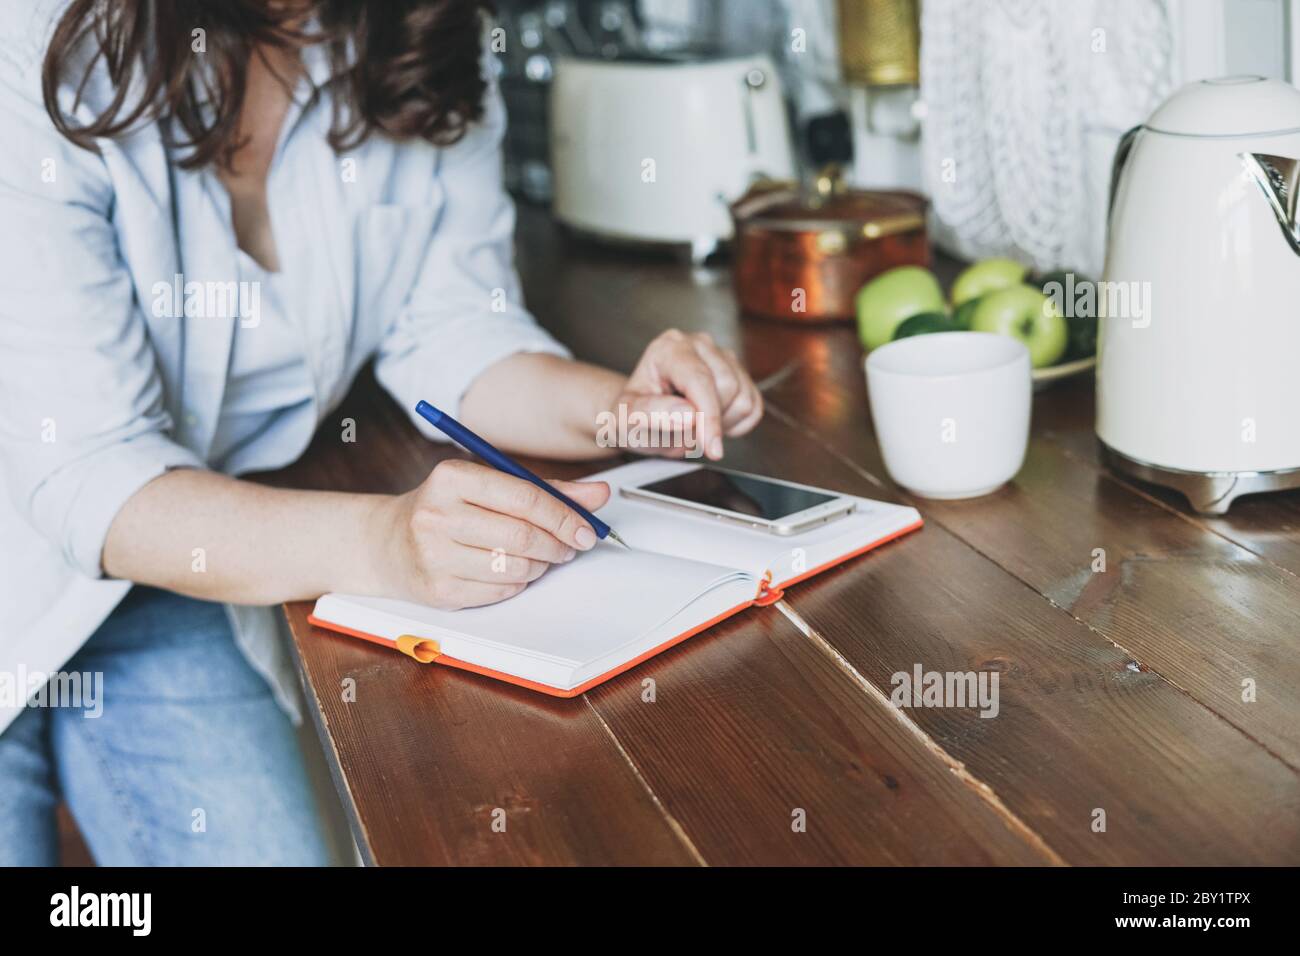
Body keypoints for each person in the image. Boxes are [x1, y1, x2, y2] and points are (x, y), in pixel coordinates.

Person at [0, 0, 763, 865]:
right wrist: (384, 542)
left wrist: (628, 406)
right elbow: (93, 469)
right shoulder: (29, 43)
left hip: (172, 576)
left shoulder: (426, 34)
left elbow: (451, 330)